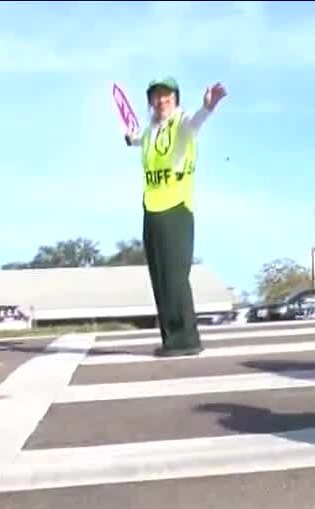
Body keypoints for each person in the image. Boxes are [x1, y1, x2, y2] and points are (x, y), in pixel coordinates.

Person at [124, 76, 227, 357]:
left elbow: (195, 123)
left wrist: (208, 108)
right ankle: (171, 339)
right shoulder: (150, 131)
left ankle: (187, 339)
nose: (161, 101)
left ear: (176, 99)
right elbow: (137, 139)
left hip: (177, 208)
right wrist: (129, 137)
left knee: (175, 275)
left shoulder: (181, 124)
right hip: (151, 208)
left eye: (167, 96)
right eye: (156, 97)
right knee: (159, 276)